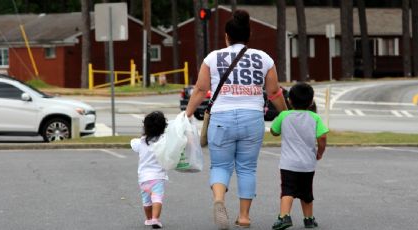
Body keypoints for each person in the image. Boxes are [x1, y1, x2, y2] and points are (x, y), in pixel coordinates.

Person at [185, 9, 287, 230]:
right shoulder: (264, 58)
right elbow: (274, 93)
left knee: (220, 165)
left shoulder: (212, 58)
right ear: (248, 35)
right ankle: (244, 217)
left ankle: (219, 199)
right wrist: (286, 114)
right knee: (247, 168)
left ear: (226, 36)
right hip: (253, 118)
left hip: (221, 118)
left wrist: (188, 113)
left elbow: (202, 89)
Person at [270, 82, 329, 230]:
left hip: (288, 164)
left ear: (289, 100)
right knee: (306, 192)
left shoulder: (284, 116)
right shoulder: (315, 118)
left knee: (287, 190)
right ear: (310, 102)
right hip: (308, 164)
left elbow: (274, 131)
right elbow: (322, 137)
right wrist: (320, 152)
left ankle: (284, 216)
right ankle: (308, 219)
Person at [130, 111, 168, 229]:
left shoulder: (141, 142)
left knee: (146, 201)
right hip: (157, 176)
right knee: (157, 198)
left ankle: (149, 219)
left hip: (143, 178)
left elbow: (132, 143)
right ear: (163, 127)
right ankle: (156, 219)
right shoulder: (164, 140)